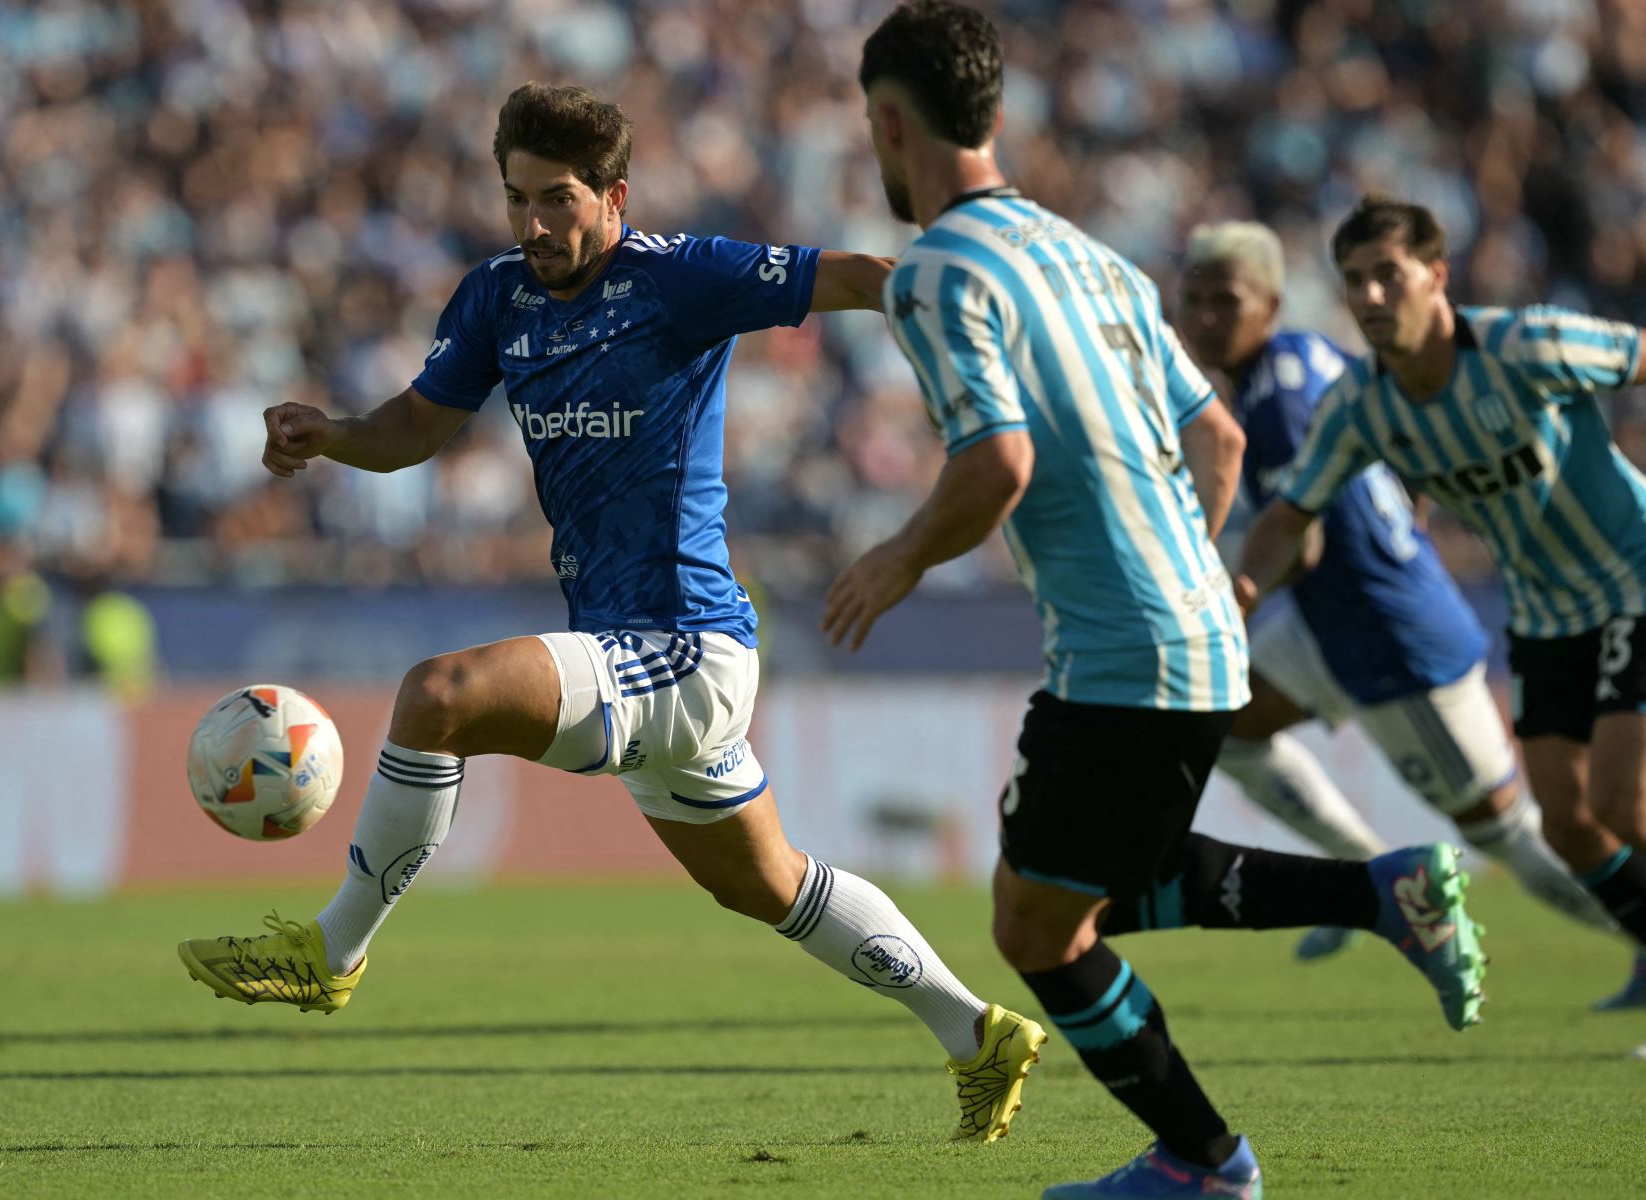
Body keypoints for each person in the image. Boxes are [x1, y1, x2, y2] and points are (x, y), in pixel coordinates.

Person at [177, 81, 1047, 1143]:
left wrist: (985, 305)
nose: (534, 224)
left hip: (685, 642)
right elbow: (415, 426)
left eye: (557, 201)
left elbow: (863, 279)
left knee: (437, 696)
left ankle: (335, 952)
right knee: (770, 886)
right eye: (517, 200)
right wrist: (332, 435)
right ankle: (977, 1032)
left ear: (613, 195)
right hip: (623, 645)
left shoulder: (682, 277)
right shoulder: (498, 297)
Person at [843, 6, 1488, 1196]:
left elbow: (996, 466)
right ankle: (1381, 892)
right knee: (1099, 878)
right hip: (1200, 633)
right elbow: (1222, 439)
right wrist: (1178, 566)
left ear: (891, 122)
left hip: (1122, 648)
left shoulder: (937, 270)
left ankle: (1205, 1165)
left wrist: (894, 559)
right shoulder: (1091, 255)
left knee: (1036, 926)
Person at [1178, 221, 1631, 991]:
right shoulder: (1321, 369)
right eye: (1194, 302)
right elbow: (1389, 442)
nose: (1206, 319)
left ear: (1273, 304)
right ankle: (1369, 876)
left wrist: (1230, 593)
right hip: (1337, 625)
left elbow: (1306, 542)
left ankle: (1634, 933)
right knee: (1224, 723)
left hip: (1391, 640)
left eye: (1227, 301)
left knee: (1519, 835)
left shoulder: (1279, 403)